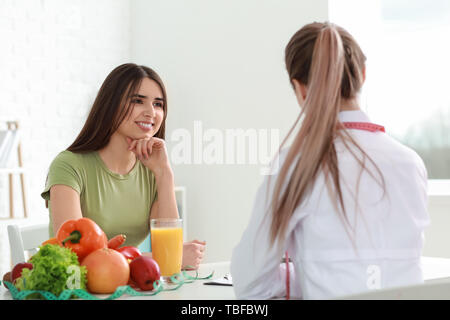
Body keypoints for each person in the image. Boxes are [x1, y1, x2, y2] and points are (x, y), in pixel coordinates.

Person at [230, 22, 429, 299]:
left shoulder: (295, 164)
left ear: (299, 89)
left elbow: (251, 286)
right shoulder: (412, 163)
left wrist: (300, 277)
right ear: (362, 75)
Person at [41, 63, 206, 270]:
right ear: (110, 105)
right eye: (138, 101)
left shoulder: (152, 170)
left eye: (158, 104)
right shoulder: (68, 165)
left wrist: (165, 173)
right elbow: (74, 255)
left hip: (124, 287)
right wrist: (163, 258)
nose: (151, 112)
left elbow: (169, 253)